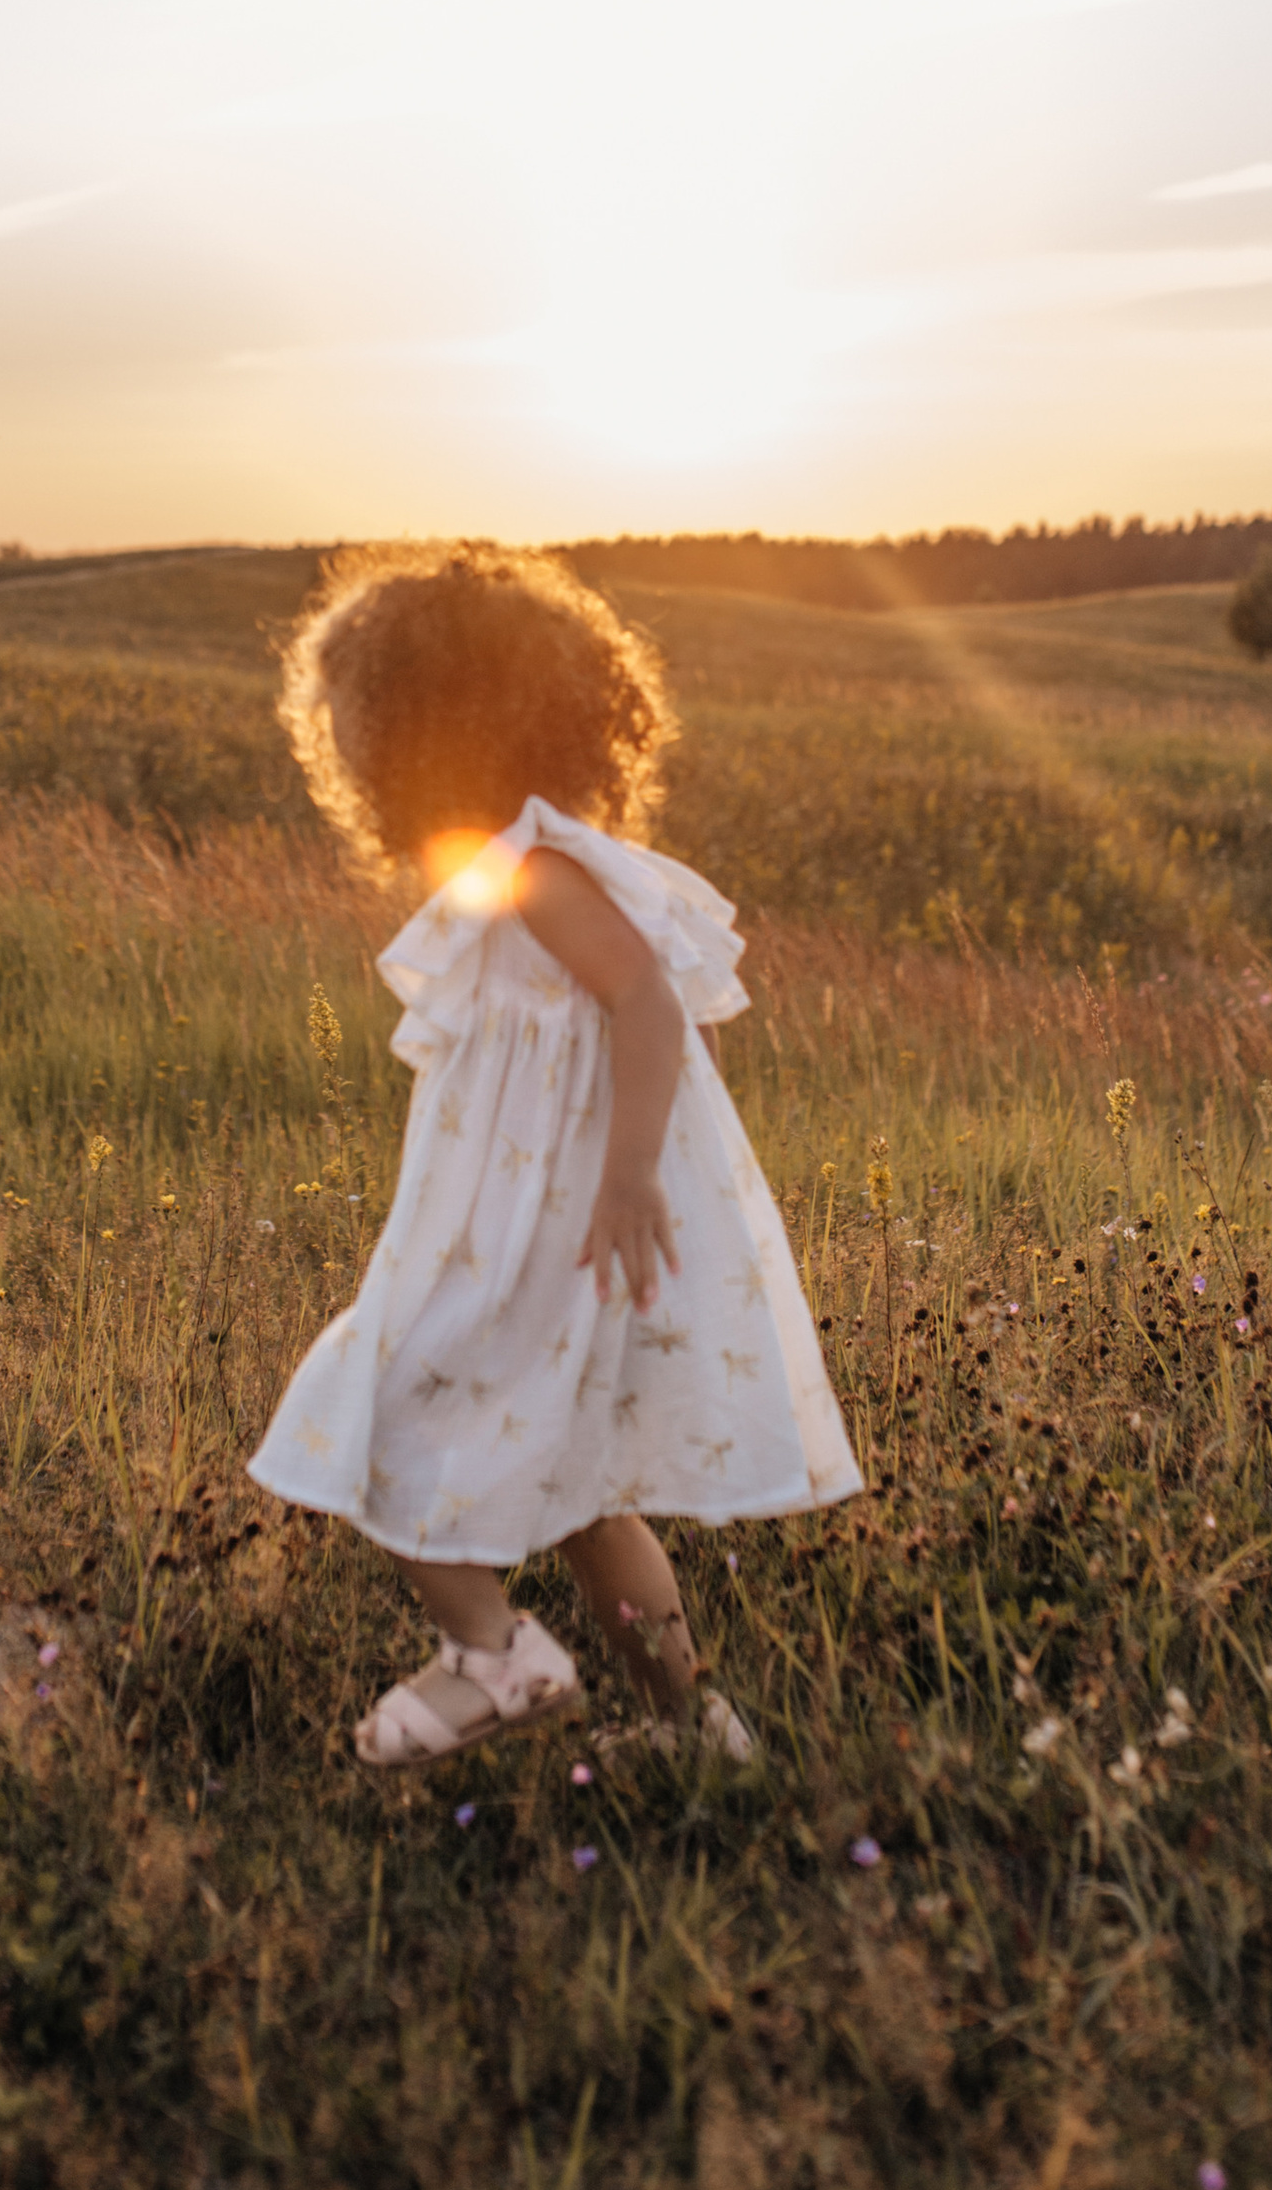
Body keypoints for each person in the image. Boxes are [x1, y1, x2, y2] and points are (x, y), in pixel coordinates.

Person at [247, 541, 863, 1768]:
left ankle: (497, 1658)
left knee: (383, 1403)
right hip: (539, 1223)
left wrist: (629, 1173)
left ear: (409, 732)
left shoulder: (536, 874)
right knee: (584, 1496)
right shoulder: (511, 869)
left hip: (548, 1230)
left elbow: (647, 1005)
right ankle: (701, 1734)